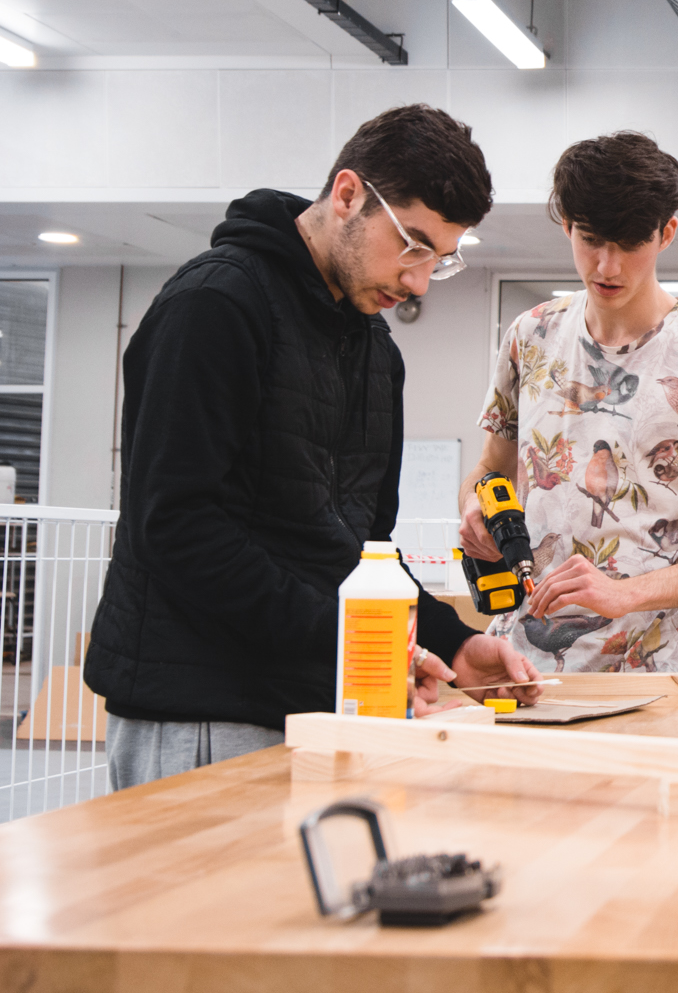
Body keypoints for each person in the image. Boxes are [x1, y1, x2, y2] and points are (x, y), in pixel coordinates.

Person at [85, 105, 541, 791]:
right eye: (411, 245)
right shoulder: (215, 305)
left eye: (439, 260)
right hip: (204, 709)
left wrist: (452, 642)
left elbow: (363, 553)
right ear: (348, 194)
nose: (418, 280)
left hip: (322, 702)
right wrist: (355, 638)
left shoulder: (376, 351)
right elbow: (176, 528)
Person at [458, 132, 678, 674]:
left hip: (639, 678)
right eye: (591, 240)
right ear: (567, 225)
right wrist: (473, 509)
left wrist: (626, 593)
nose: (607, 266)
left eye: (629, 245)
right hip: (515, 667)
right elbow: (490, 469)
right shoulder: (530, 335)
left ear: (666, 233)